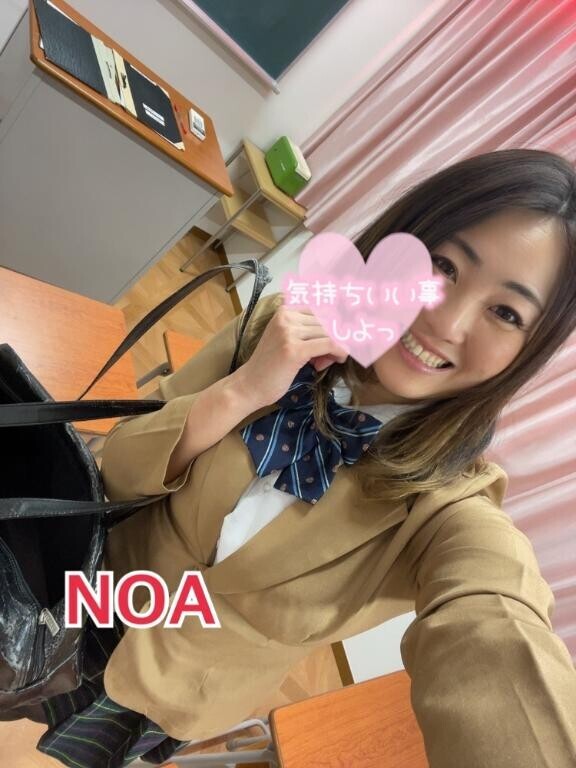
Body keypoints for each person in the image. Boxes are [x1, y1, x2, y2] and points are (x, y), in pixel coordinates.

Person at [37, 148, 576, 767]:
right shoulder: (278, 328)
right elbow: (112, 464)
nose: (446, 321)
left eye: (506, 312)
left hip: (164, 696)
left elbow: (498, 619)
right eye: (445, 266)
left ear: (529, 351)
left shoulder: (450, 506)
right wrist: (240, 393)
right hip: (80, 585)